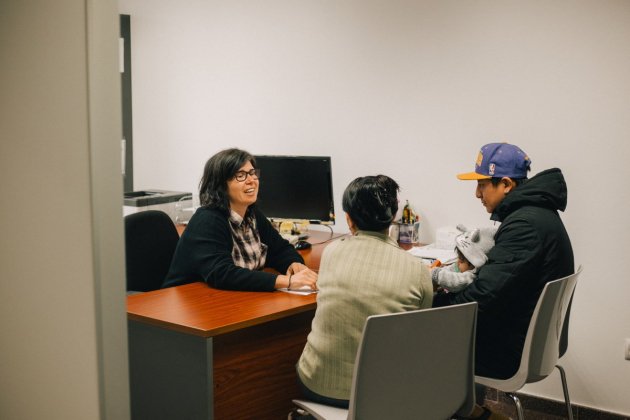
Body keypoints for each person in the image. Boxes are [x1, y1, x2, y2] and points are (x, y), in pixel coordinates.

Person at [433, 142, 574, 419]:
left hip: (510, 352)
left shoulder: (525, 225)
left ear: (506, 184)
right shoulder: (538, 215)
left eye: (482, 185)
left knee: (419, 329)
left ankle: (461, 412)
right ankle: (471, 411)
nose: (476, 194)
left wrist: (437, 302)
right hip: (526, 339)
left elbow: (483, 296)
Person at [296, 175, 434, 408]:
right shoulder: (418, 270)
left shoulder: (330, 252)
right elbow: (419, 328)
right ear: (393, 217)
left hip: (316, 383)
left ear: (349, 220)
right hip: (383, 393)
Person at [163, 148, 318, 291]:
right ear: (221, 185)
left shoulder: (252, 214)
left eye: (252, 173)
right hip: (186, 305)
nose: (251, 180)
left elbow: (280, 250)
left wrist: (294, 264)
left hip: (229, 300)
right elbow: (222, 273)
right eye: (240, 175)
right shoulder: (208, 220)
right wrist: (287, 282)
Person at [431, 224, 497, 293]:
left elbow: (456, 281)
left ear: (474, 264)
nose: (458, 262)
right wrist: (441, 270)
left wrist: (436, 274)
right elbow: (452, 268)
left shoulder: (472, 276)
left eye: (462, 261)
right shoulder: (462, 267)